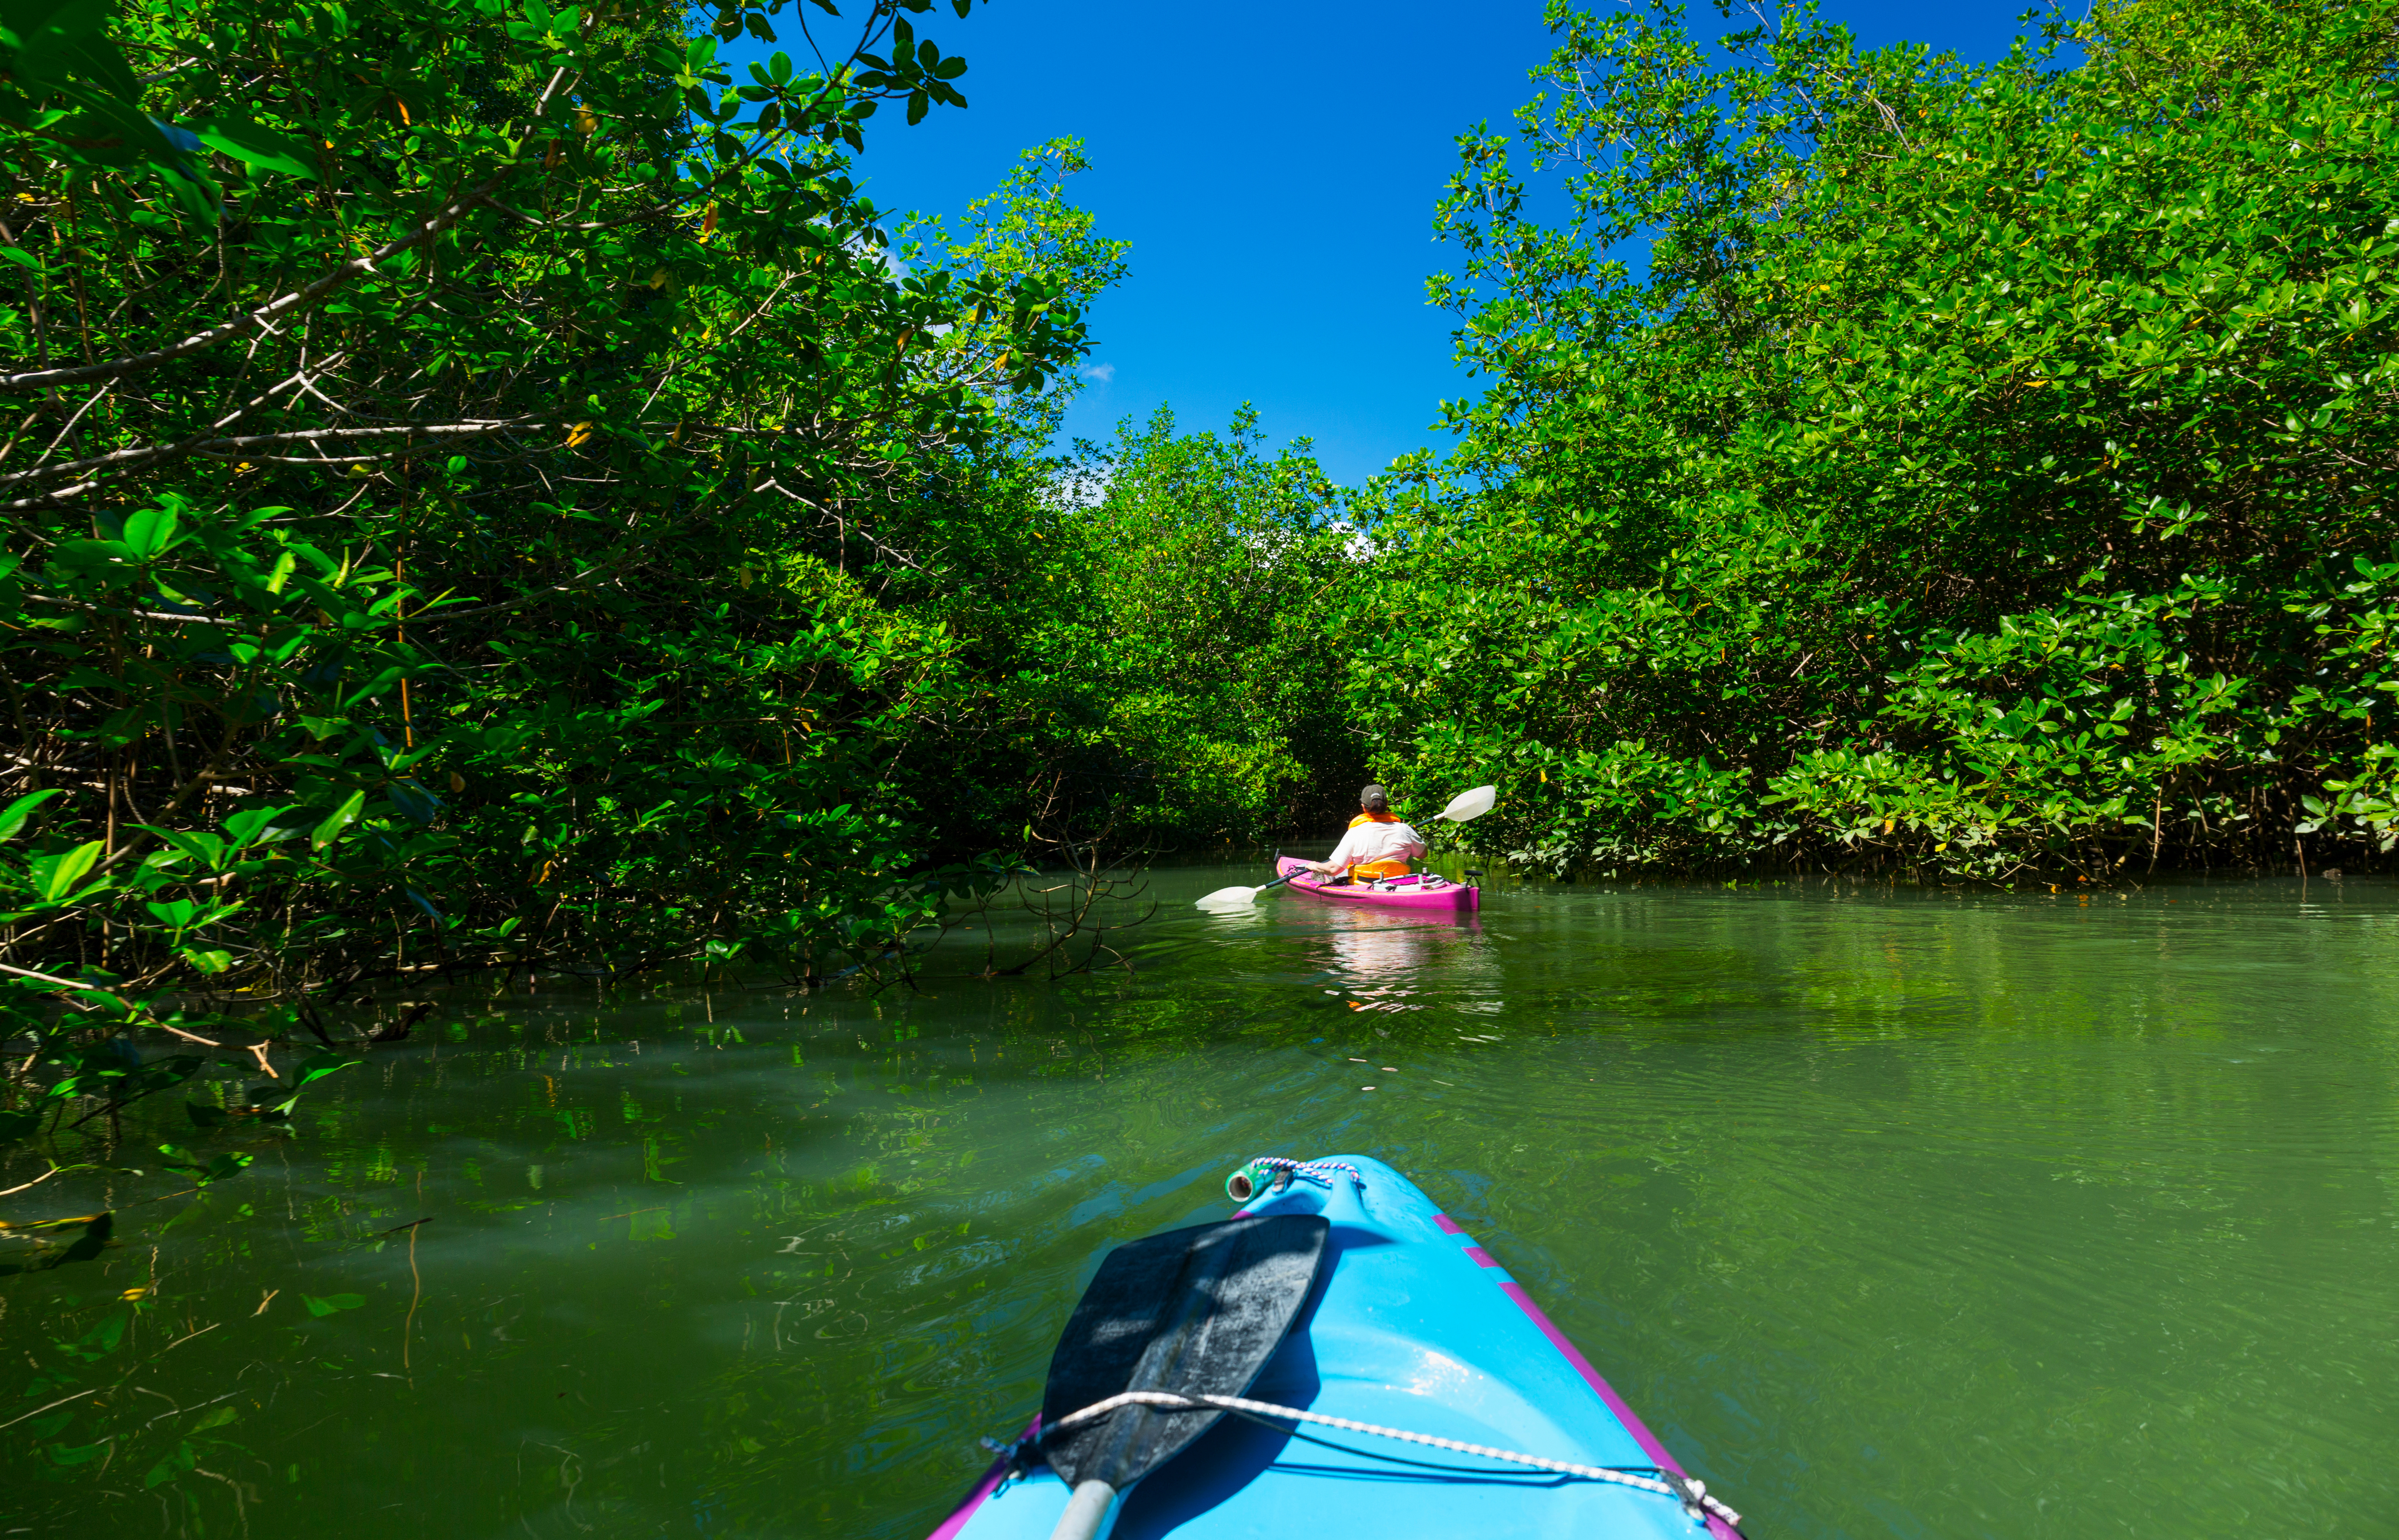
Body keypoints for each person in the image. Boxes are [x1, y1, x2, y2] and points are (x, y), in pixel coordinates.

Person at [1304, 785, 1426, 882]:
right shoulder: (1404, 829)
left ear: (1363, 807)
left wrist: (1315, 866)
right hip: (1397, 881)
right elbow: (1423, 854)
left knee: (1328, 875)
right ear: (1387, 804)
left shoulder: (1355, 832)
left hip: (1364, 884)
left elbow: (1333, 869)